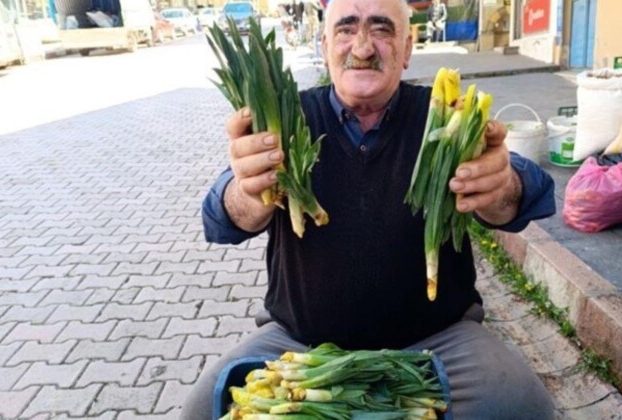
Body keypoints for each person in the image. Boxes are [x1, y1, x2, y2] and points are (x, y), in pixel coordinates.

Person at [182, 0, 556, 418]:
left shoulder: (444, 116)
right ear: (325, 45)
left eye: (381, 29)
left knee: (523, 405)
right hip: (298, 343)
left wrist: (502, 184)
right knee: (201, 409)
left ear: (408, 47)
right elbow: (218, 219)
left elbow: (534, 194)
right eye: (346, 29)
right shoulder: (287, 122)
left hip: (440, 341)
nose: (361, 47)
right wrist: (248, 194)